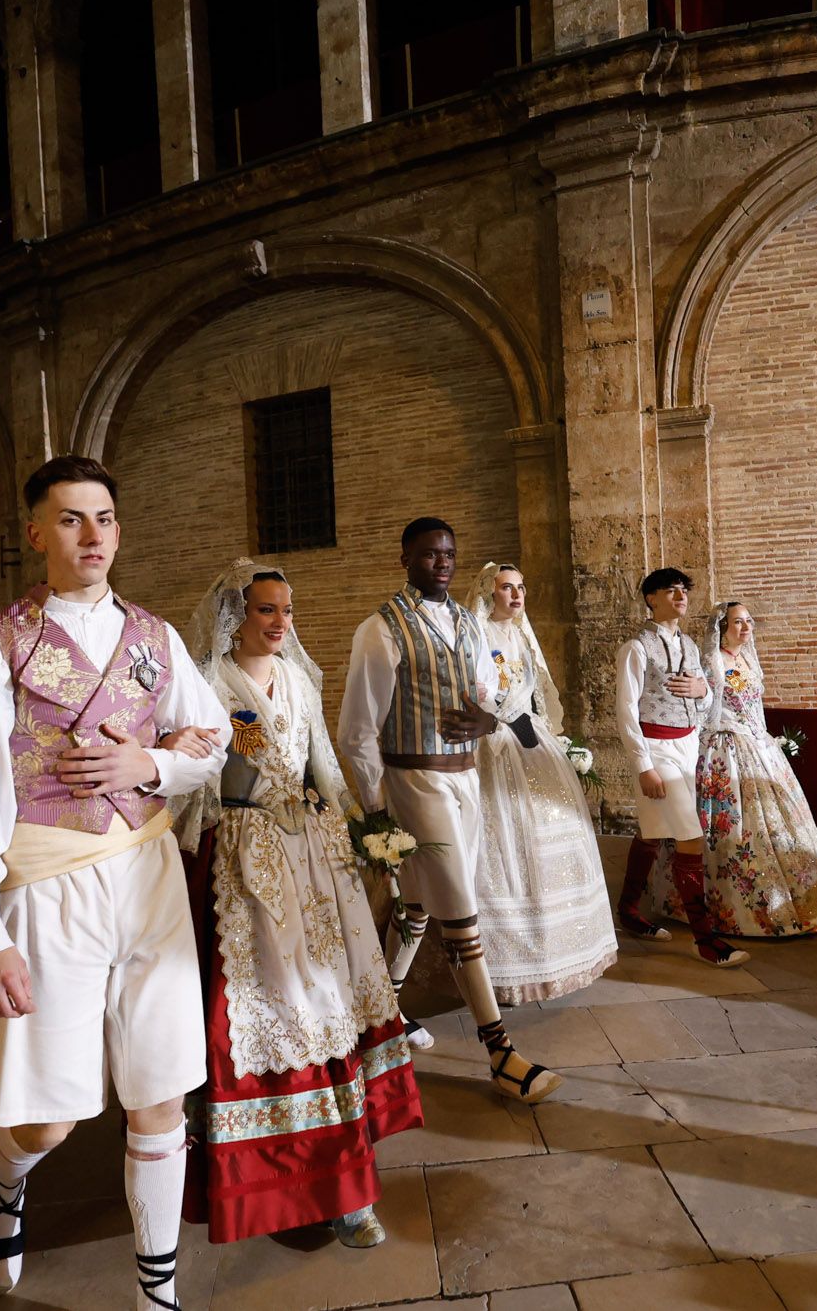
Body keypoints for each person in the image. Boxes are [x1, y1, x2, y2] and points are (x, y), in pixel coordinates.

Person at [0, 455, 229, 1307]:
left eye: (103, 518)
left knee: (159, 1093)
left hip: (149, 878)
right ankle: (4, 1179)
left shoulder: (155, 638)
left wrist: (154, 762)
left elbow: (213, 738)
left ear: (119, 530)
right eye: (70, 519)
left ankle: (156, 1292)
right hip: (49, 887)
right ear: (36, 533)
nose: (91, 535)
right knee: (50, 1113)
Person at [173, 559, 423, 1250]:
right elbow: (195, 783)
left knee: (331, 1013)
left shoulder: (301, 682)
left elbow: (325, 768)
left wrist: (365, 826)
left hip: (313, 864)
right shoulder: (208, 684)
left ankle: (345, 1185)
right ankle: (276, 1180)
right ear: (237, 615)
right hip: (243, 865)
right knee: (267, 1020)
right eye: (266, 610)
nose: (281, 622)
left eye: (287, 610)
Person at [339, 517, 561, 1104]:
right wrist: (376, 809)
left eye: (449, 554)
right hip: (415, 782)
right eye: (429, 553)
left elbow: (487, 695)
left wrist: (491, 721)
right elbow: (358, 732)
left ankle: (377, 1014)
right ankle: (501, 1052)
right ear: (405, 558)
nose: (442, 561)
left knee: (416, 905)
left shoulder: (467, 623)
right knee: (461, 913)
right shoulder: (380, 630)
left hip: (467, 780)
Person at [466, 561, 616, 1004]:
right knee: (506, 846)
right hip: (493, 745)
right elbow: (474, 688)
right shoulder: (476, 634)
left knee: (555, 834)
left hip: (532, 741)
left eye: (521, 588)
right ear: (488, 593)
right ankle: (506, 967)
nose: (516, 596)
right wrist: (504, 719)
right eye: (507, 588)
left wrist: (545, 732)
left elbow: (537, 693)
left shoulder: (520, 637)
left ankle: (564, 951)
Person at [672, 602, 817, 936]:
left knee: (783, 826)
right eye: (738, 622)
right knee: (737, 829)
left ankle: (802, 903)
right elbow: (705, 711)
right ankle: (740, 911)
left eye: (749, 621)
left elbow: (755, 707)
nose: (746, 627)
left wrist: (767, 743)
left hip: (759, 746)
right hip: (726, 748)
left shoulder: (747, 659)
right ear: (722, 626)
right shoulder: (713, 661)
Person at [613, 569, 749, 968]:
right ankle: (705, 939)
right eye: (671, 591)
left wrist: (703, 690)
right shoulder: (636, 648)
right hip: (656, 750)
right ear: (650, 599)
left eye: (684, 590)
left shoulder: (689, 645)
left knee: (652, 833)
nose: (681, 596)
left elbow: (706, 706)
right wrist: (643, 766)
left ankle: (628, 912)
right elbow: (624, 712)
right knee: (690, 833)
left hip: (689, 746)